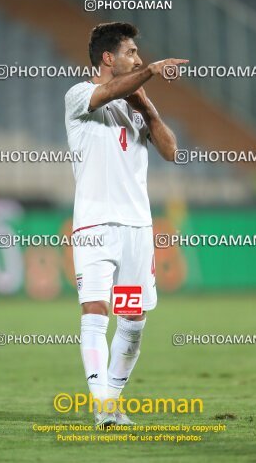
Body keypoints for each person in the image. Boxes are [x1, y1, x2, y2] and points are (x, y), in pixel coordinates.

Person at [65, 22, 188, 427]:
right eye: (131, 52)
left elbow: (171, 151)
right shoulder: (80, 95)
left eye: (138, 55)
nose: (137, 58)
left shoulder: (136, 106)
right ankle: (102, 406)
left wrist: (148, 107)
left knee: (133, 321)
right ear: (108, 58)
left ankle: (112, 403)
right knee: (96, 309)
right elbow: (107, 93)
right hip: (95, 224)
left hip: (137, 227)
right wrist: (150, 71)